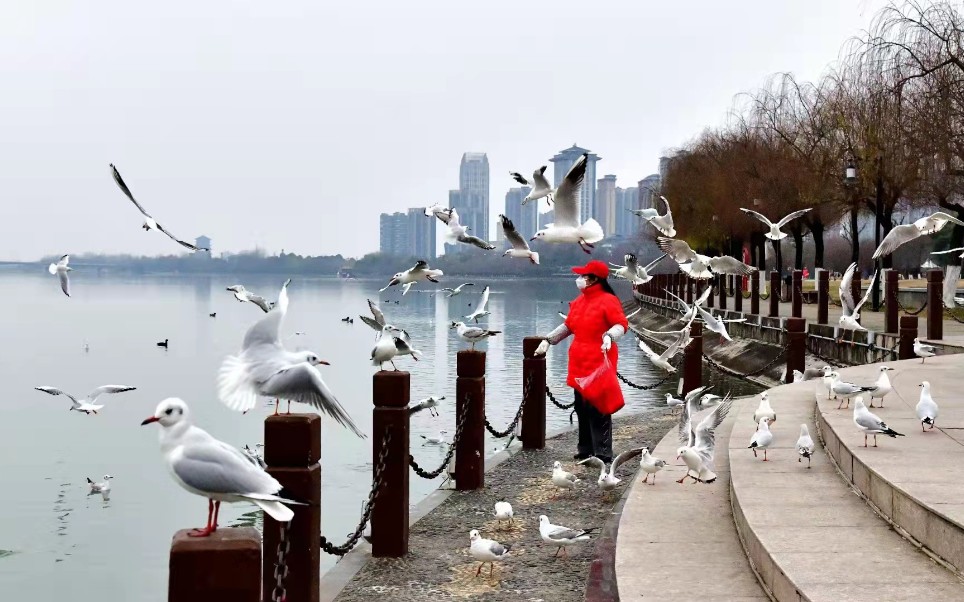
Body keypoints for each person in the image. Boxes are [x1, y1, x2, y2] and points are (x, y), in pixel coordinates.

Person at [535, 260, 628, 463]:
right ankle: (585, 449)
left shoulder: (608, 300)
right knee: (581, 406)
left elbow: (621, 324)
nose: (580, 279)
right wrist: (548, 340)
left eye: (584, 276)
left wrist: (609, 337)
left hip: (599, 362)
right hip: (579, 362)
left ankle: (603, 451)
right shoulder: (579, 301)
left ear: (594, 279)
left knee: (599, 407)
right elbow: (569, 326)